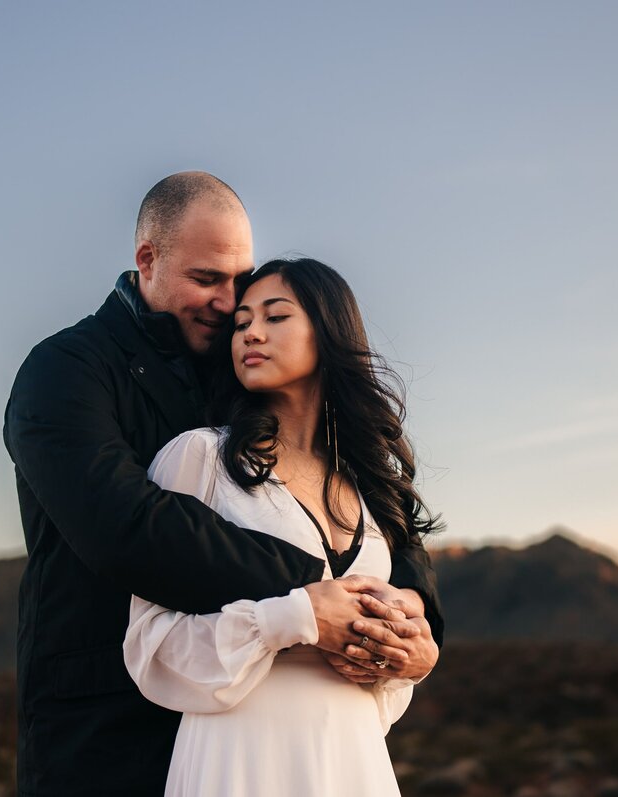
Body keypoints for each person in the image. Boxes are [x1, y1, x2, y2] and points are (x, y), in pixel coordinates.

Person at [3, 172, 443, 796]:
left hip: (270, 735)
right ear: (147, 259)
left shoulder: (243, 373)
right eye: (207, 279)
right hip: (105, 729)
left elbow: (379, 519)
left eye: (240, 280)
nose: (230, 303)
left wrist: (418, 620)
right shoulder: (66, 371)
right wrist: (323, 599)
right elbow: (126, 525)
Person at [124, 258, 439, 795]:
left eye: (275, 317)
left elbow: (384, 671)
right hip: (241, 757)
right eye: (242, 322)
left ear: (329, 331)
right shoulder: (202, 457)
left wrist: (412, 659)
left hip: (354, 757)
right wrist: (294, 618)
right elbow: (151, 645)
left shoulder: (369, 486)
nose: (251, 332)